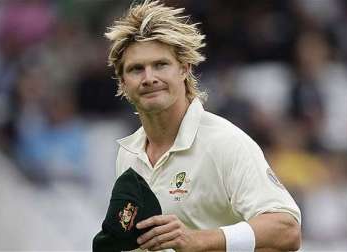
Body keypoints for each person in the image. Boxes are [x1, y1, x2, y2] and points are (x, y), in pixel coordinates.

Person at [103, 0, 301, 251]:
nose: (149, 78)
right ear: (122, 83)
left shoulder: (224, 142)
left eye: (160, 65)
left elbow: (287, 228)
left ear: (184, 69)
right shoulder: (128, 154)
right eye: (136, 69)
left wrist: (200, 240)